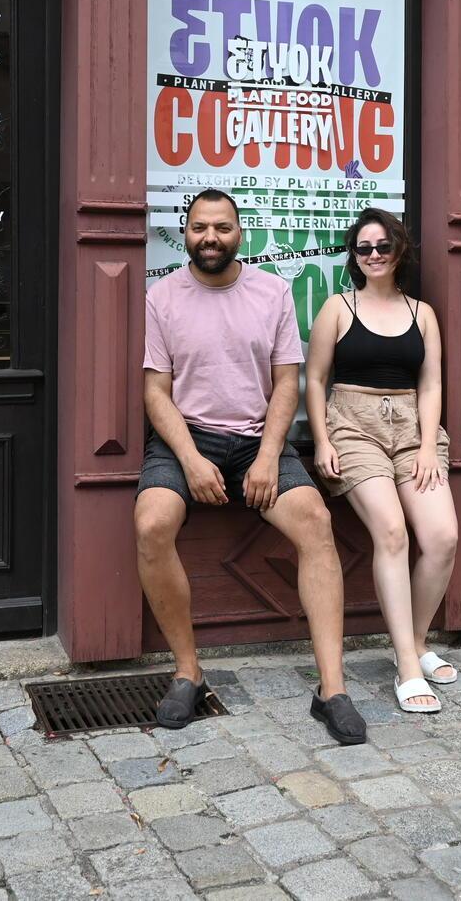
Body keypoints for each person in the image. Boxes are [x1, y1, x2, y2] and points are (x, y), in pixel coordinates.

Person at [136, 189, 368, 744]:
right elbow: (156, 391)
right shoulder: (162, 296)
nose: (209, 238)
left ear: (240, 233)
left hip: (256, 441)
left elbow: (288, 382)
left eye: (221, 227)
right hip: (185, 439)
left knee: (316, 522)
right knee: (151, 525)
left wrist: (267, 455)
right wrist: (190, 459)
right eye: (199, 227)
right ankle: (189, 674)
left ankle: (332, 689)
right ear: (185, 232)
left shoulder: (272, 292)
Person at [304, 207, 458, 713]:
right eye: (363, 248)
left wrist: (427, 443)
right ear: (354, 256)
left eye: (382, 246)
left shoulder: (422, 313)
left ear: (399, 250)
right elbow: (316, 380)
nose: (373, 255)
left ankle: (415, 641)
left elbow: (430, 384)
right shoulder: (338, 308)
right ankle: (408, 666)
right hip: (353, 426)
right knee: (391, 532)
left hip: (412, 428)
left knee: (442, 538)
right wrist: (322, 440)